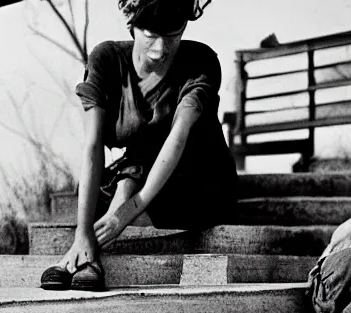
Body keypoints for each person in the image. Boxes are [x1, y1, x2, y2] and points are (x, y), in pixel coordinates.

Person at [41, 0, 238, 291]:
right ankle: (86, 251)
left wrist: (128, 211)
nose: (160, 50)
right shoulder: (107, 60)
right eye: (150, 35)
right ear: (132, 24)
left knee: (147, 148)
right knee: (106, 184)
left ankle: (90, 259)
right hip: (140, 175)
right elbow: (93, 144)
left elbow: (178, 137)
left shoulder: (201, 61)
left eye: (172, 36)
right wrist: (82, 231)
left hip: (200, 186)